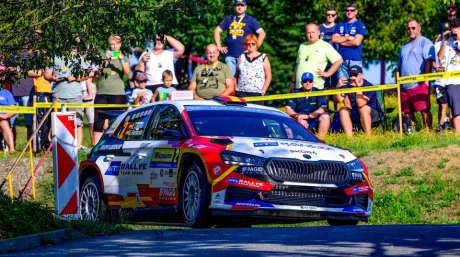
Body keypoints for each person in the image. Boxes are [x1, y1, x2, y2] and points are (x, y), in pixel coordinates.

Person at [44, 51, 89, 148]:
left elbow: (86, 74)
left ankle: (77, 147)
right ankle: (55, 147)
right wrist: (52, 77)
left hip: (75, 95)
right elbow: (46, 74)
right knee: (56, 123)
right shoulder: (54, 57)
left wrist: (75, 78)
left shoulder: (78, 58)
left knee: (77, 123)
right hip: (58, 96)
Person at [93, 35, 131, 145]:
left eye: (115, 44)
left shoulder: (124, 57)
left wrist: (121, 58)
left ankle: (116, 144)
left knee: (117, 120)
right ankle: (96, 146)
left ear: (120, 45)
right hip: (102, 92)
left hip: (117, 93)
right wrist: (105, 61)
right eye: (111, 45)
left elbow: (128, 72)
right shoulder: (103, 55)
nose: (113, 47)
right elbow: (98, 74)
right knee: (98, 121)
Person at [398, 19, 435, 131]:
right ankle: (411, 133)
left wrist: (426, 79)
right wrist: (398, 84)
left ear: (419, 28)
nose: (410, 30)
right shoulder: (404, 46)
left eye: (413, 28)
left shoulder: (425, 42)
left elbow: (429, 61)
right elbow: (399, 66)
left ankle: (428, 133)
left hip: (419, 84)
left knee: (424, 109)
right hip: (404, 86)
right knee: (407, 112)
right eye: (408, 28)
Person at [214, 0, 266, 75]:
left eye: (242, 5)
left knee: (243, 79)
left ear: (245, 7)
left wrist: (255, 48)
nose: (240, 7)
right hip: (230, 55)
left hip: (245, 55)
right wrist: (219, 46)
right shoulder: (229, 19)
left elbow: (262, 33)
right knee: (231, 80)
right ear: (234, 7)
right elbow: (216, 31)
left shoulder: (251, 20)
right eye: (238, 5)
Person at [290, 23, 343, 92]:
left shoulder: (325, 45)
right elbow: (297, 65)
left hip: (315, 88)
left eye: (313, 32)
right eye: (309, 33)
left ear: (318, 32)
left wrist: (328, 73)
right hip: (299, 88)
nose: (311, 35)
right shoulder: (302, 46)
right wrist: (293, 82)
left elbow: (339, 60)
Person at [333, 65, 383, 137]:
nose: (352, 77)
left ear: (361, 75)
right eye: (350, 75)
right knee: (343, 110)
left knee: (363, 108)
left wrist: (358, 88)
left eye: (355, 75)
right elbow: (338, 100)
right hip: (356, 113)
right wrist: (337, 88)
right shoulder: (348, 85)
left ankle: (368, 137)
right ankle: (349, 138)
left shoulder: (369, 86)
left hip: (372, 114)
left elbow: (360, 104)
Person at [286, 72, 330, 139]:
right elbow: (288, 110)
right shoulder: (295, 93)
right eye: (305, 81)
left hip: (314, 119)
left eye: (310, 81)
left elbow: (323, 109)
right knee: (302, 122)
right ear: (301, 83)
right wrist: (298, 116)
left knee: (325, 116)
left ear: (313, 83)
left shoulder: (318, 92)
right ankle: (303, 142)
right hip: (300, 118)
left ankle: (321, 141)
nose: (308, 83)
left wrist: (308, 116)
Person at [332, 2, 366, 80]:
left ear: (356, 12)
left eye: (352, 10)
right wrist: (348, 38)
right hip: (341, 60)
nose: (349, 12)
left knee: (356, 84)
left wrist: (341, 41)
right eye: (347, 10)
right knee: (342, 86)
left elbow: (356, 42)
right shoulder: (340, 24)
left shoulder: (360, 25)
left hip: (355, 60)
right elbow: (334, 39)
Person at [234, 34, 271, 104]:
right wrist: (236, 89)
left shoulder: (263, 57)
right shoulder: (241, 57)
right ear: (245, 45)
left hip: (257, 93)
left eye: (253, 43)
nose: (251, 45)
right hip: (241, 93)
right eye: (248, 44)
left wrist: (263, 91)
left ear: (256, 44)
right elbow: (236, 75)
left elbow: (268, 76)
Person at [438, 18, 460, 133]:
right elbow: (440, 57)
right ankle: (458, 135)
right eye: (453, 31)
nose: (454, 34)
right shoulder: (447, 42)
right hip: (452, 81)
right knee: (456, 109)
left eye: (457, 31)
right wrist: (445, 41)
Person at [434, 25, 453, 131]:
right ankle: (441, 127)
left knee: (452, 106)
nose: (447, 32)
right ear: (441, 32)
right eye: (444, 30)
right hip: (440, 80)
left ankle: (452, 126)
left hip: (452, 79)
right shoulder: (437, 45)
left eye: (448, 30)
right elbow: (435, 59)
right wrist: (436, 67)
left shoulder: (454, 43)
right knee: (442, 105)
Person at [320, 7, 339, 89]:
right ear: (325, 15)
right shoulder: (319, 28)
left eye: (332, 15)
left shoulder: (339, 27)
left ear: (336, 16)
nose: (330, 16)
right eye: (328, 14)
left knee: (336, 86)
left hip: (336, 61)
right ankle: (324, 102)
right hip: (322, 61)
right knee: (324, 87)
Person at [0, 86, 16, 152]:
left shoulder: (6, 93)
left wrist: (5, 116)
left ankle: (12, 149)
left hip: (2, 118)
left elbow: (13, 110)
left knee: (4, 124)